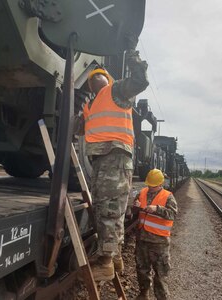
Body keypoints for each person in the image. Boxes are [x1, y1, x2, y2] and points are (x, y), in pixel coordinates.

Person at [76, 34, 149, 281]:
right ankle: (115, 256)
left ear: (106, 79)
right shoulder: (90, 105)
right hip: (100, 161)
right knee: (106, 208)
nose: (95, 78)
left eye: (99, 75)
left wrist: (132, 54)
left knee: (108, 209)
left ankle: (106, 261)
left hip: (115, 156)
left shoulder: (116, 91)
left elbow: (140, 80)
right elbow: (79, 129)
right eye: (91, 78)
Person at [133, 169, 178, 300]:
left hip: (159, 242)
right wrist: (136, 205)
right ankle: (143, 294)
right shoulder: (142, 192)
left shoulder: (168, 196)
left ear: (160, 184)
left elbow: (172, 214)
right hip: (142, 240)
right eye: (149, 185)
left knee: (160, 274)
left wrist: (157, 209)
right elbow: (136, 208)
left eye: (154, 185)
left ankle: (162, 298)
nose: (151, 187)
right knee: (142, 269)